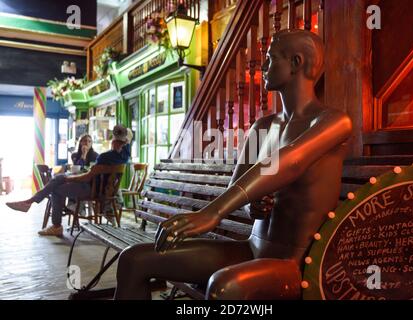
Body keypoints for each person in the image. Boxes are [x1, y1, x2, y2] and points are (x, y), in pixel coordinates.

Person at [113, 29, 353, 300]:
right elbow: (240, 189)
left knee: (225, 287)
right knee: (134, 260)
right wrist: (255, 204)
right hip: (252, 248)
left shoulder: (333, 122)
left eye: (271, 59)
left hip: (296, 263)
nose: (263, 66)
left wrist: (212, 212)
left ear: (296, 63)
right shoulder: (263, 126)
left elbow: (292, 161)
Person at [6, 125, 133, 237]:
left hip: (90, 189)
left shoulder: (104, 157)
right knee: (59, 179)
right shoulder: (124, 158)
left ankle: (54, 225)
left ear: (114, 142)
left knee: (56, 188)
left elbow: (87, 177)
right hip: (101, 190)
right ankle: (30, 202)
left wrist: (68, 178)